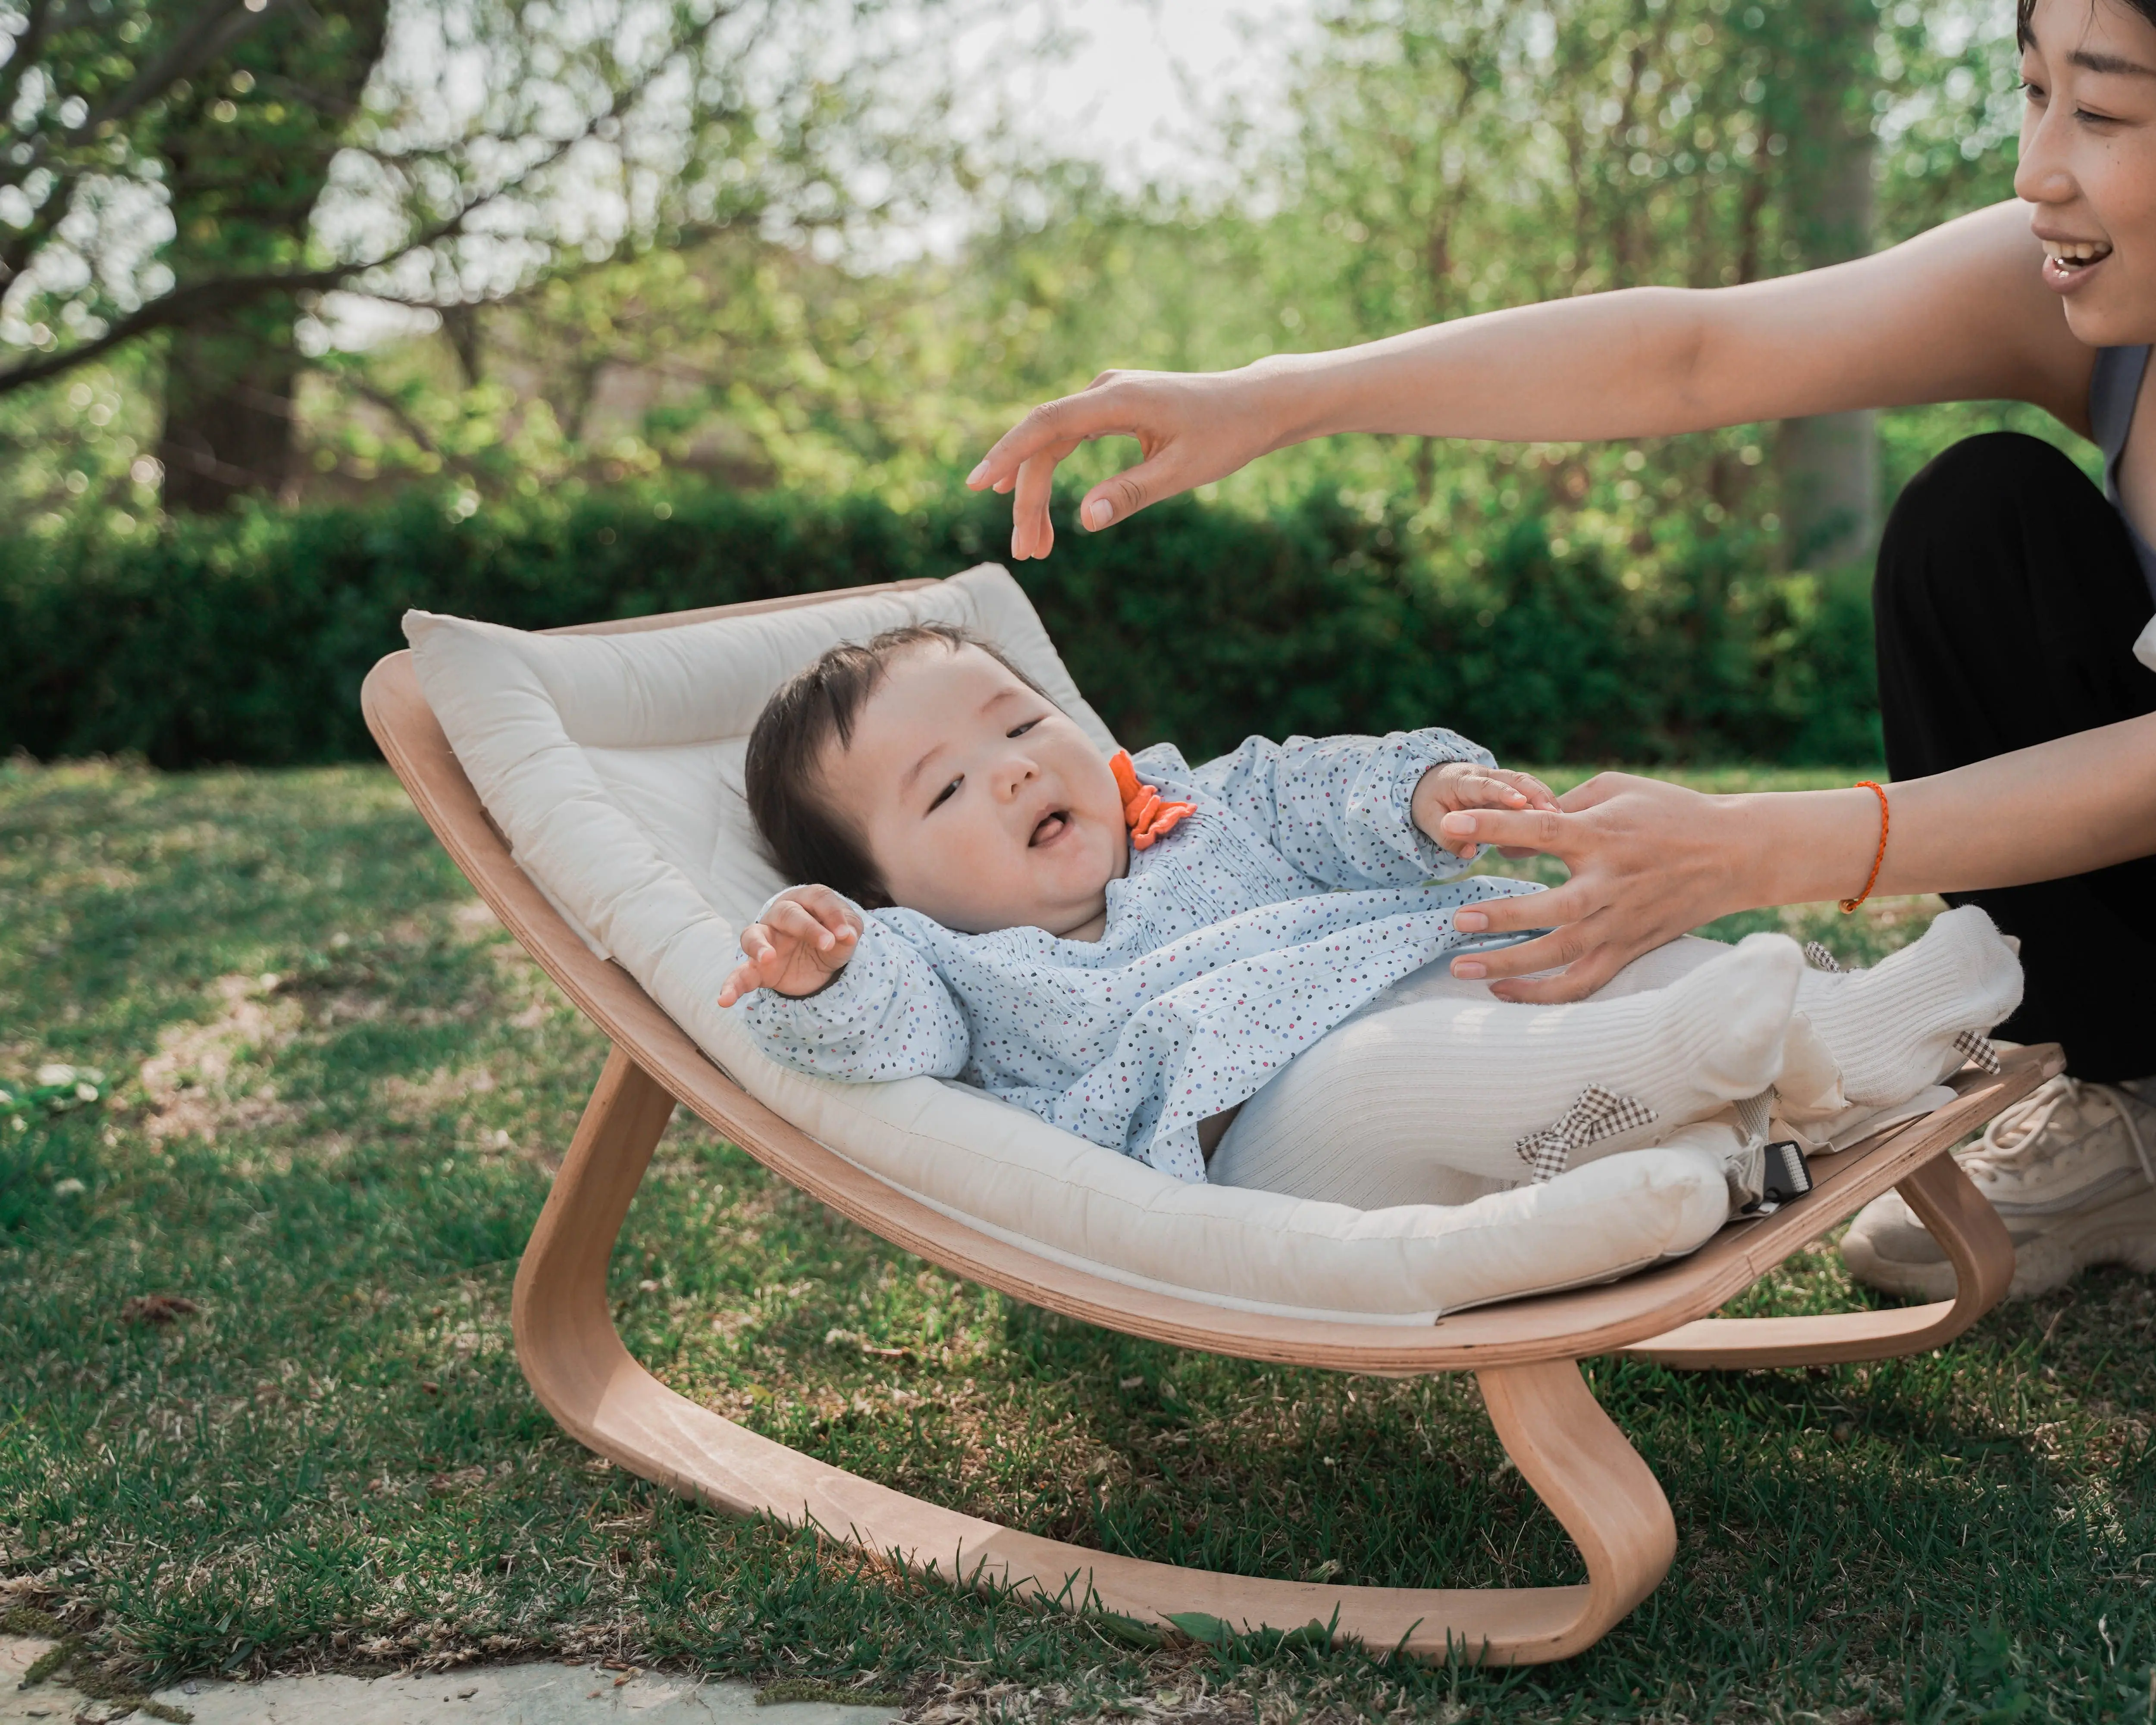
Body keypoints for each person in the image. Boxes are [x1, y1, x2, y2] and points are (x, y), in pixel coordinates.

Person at [962, 0, 2156, 1295]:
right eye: (2032, 93)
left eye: (2100, 112)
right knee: (1977, 523)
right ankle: (2135, 1107)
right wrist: (1280, 395)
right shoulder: (2072, 290)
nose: (2038, 167)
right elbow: (1693, 354)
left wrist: (1767, 844)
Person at [717, 623, 2021, 1214]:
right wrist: (822, 975)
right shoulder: (938, 957)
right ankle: (1716, 1059)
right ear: (885, 889)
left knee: (1560, 939)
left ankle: (1837, 1037)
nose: (1009, 766)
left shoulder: (1202, 801)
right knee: (1392, 1076)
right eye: (945, 787)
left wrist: (1421, 793)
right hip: (1271, 1140)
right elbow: (882, 1033)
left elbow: (1318, 786)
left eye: (1020, 724)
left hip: (1453, 977)